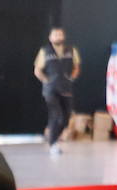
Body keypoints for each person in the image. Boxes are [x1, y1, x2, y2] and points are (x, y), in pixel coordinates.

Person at [34, 27, 80, 155]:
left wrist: (71, 77)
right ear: (50, 37)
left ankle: (51, 134)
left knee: (66, 118)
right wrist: (46, 80)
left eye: (60, 35)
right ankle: (53, 144)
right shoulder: (45, 51)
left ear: (63, 37)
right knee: (57, 115)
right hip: (50, 89)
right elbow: (37, 70)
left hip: (66, 88)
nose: (58, 37)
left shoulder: (71, 50)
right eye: (55, 35)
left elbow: (76, 67)